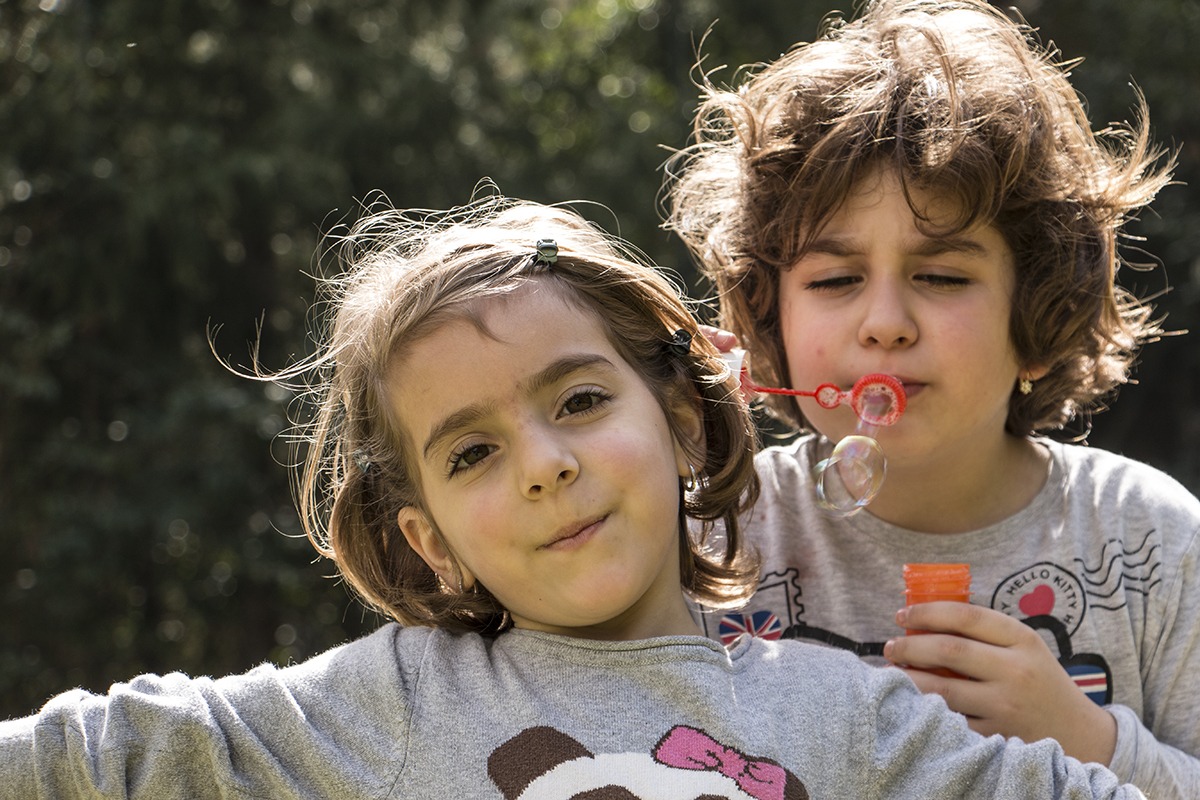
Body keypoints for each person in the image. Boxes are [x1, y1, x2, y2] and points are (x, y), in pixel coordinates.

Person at [0, 194, 1149, 799]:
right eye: (469, 454)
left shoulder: (853, 713)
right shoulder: (394, 704)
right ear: (430, 543)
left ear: (685, 419)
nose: (543, 461)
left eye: (581, 400)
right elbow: (109, 749)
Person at [664, 0, 1199, 797]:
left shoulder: (1147, 543)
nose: (883, 324)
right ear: (770, 319)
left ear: (1038, 314)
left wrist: (1088, 738)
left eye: (943, 276)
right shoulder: (716, 543)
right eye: (835, 279)